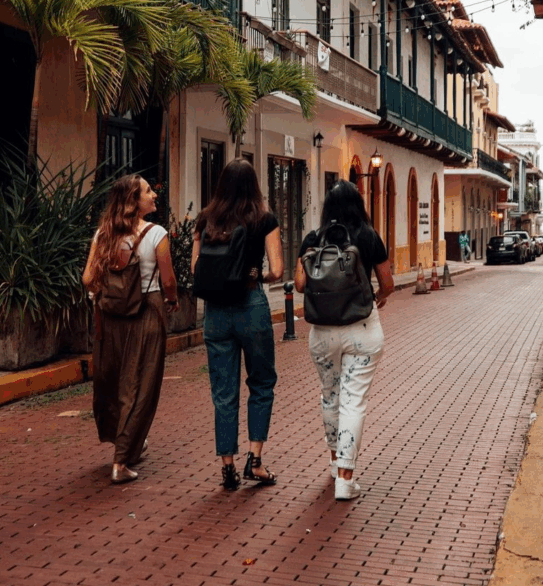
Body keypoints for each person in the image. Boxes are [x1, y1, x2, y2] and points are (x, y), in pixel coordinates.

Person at [293, 180, 394, 502]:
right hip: (362, 329)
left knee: (330, 397)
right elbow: (388, 283)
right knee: (353, 401)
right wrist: (377, 298)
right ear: (358, 204)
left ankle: (335, 462)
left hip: (322, 333)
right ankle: (345, 480)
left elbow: (298, 284)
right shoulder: (368, 235)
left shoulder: (313, 239)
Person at [191, 159, 283, 491]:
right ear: (254, 185)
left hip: (215, 313)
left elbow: (195, 268)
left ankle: (227, 466)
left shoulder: (205, 219)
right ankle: (255, 461)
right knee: (261, 383)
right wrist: (255, 272)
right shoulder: (264, 218)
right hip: (251, 305)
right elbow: (278, 270)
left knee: (223, 391)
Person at [82, 175, 178, 484]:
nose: (154, 194)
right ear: (133, 202)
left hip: (109, 315)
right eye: (148, 191)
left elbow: (87, 280)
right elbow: (168, 281)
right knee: (141, 385)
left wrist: (110, 290)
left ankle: (128, 443)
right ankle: (121, 462)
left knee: (114, 382)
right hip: (147, 312)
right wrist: (173, 301)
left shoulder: (103, 235)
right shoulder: (156, 234)